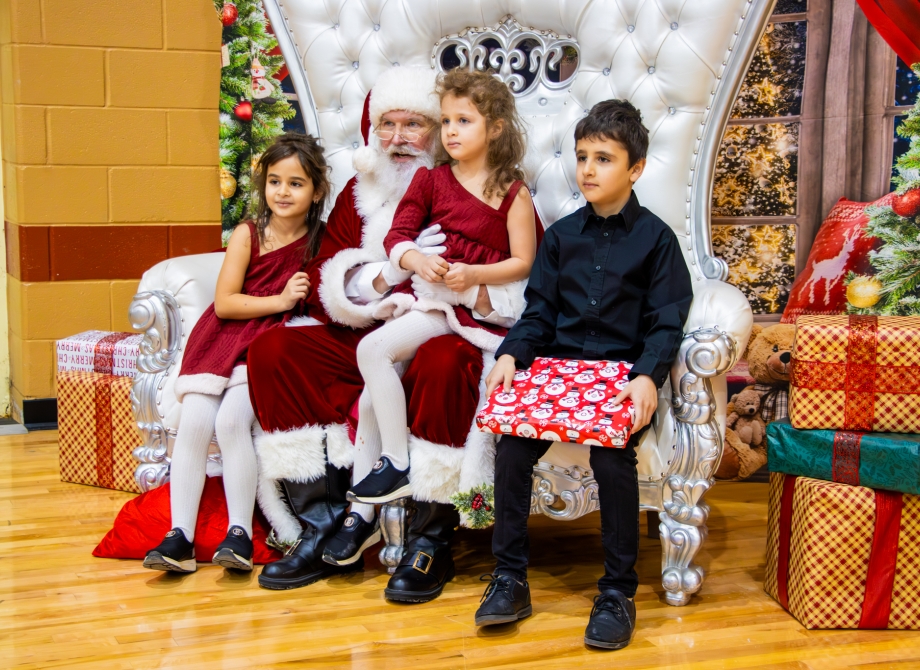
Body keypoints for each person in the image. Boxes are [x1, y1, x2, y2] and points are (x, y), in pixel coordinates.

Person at [247, 66, 527, 597]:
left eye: (414, 124)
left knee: (443, 364)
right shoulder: (359, 189)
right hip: (369, 329)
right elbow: (332, 274)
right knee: (276, 349)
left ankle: (429, 539)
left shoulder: (485, 189)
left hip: (447, 330)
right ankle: (326, 523)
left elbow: (522, 270)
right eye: (387, 125)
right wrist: (382, 282)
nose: (399, 139)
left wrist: (464, 288)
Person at [473, 100, 694, 650]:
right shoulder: (562, 237)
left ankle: (618, 592)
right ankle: (509, 578)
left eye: (603, 158)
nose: (588, 169)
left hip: (619, 375)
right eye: (581, 157)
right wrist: (510, 353)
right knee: (514, 445)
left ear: (635, 168)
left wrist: (647, 376)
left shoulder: (658, 241)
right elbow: (539, 310)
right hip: (557, 372)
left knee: (612, 455)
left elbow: (667, 320)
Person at [330, 69, 537, 552]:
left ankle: (409, 505)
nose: (450, 131)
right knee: (375, 349)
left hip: (483, 314)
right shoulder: (431, 179)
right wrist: (417, 258)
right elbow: (395, 236)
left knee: (423, 360)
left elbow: (524, 261)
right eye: (445, 120)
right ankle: (396, 464)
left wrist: (475, 276)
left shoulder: (511, 192)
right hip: (436, 304)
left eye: (464, 120)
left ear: (497, 127)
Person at [143, 133, 330, 573]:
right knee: (194, 421)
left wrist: (292, 308)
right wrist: (280, 300)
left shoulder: (319, 241)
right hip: (223, 337)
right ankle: (180, 537)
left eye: (296, 183)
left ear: (317, 190)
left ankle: (239, 534)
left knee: (230, 422)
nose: (282, 192)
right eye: (275, 181)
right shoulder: (249, 233)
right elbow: (226, 301)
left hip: (265, 347)